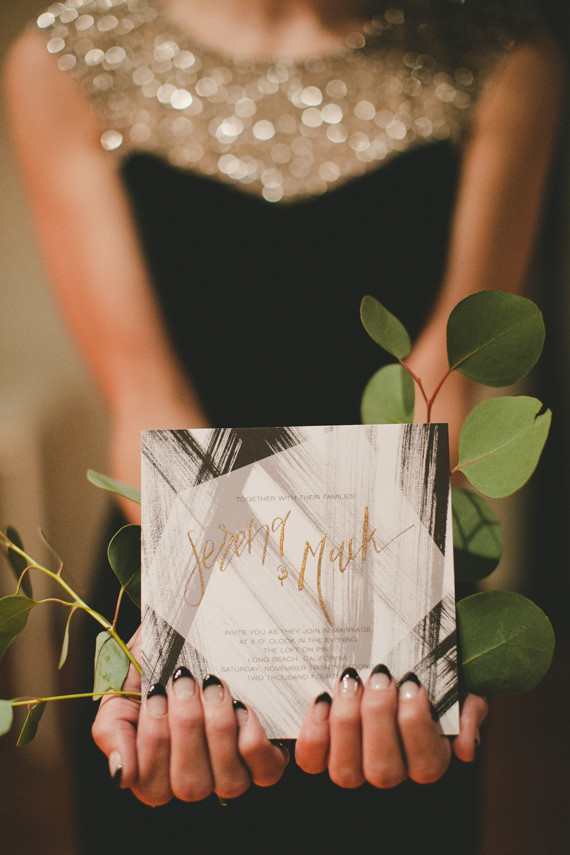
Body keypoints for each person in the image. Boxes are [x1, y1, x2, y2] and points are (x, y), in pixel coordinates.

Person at [4, 1, 563, 852]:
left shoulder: (503, 51)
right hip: (174, 554)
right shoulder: (66, 61)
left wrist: (370, 628)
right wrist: (223, 635)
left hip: (394, 571)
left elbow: (438, 392)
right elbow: (148, 394)